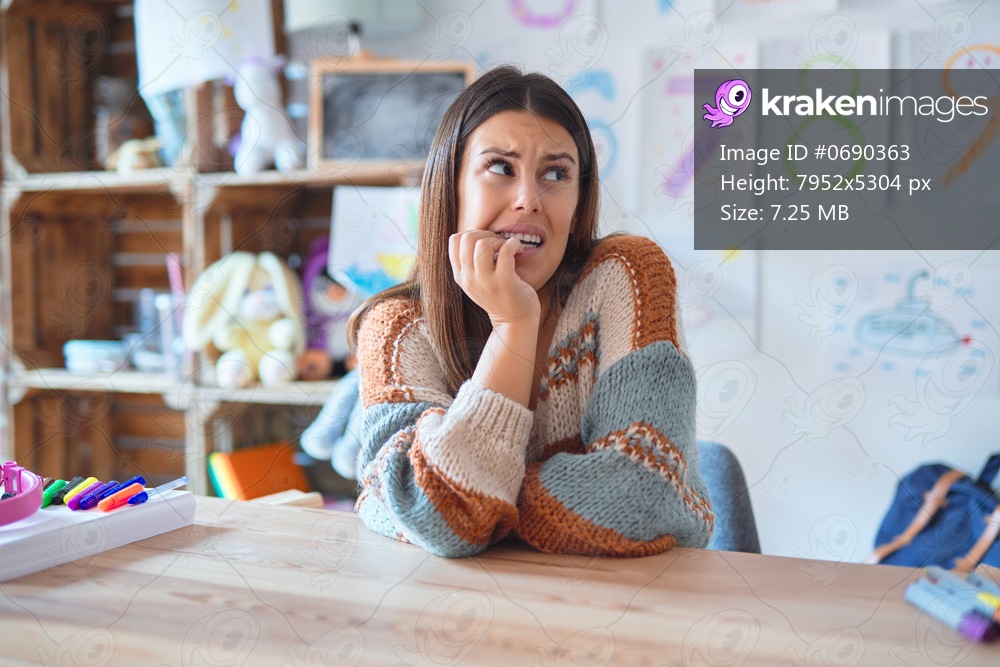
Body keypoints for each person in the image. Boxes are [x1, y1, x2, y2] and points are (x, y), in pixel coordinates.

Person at [347, 65, 714, 557]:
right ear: (450, 185)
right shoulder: (396, 328)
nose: (527, 200)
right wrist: (514, 326)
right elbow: (434, 513)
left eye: (556, 174)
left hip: (636, 606)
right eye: (500, 167)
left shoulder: (627, 275)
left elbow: (644, 491)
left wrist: (477, 505)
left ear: (579, 198)